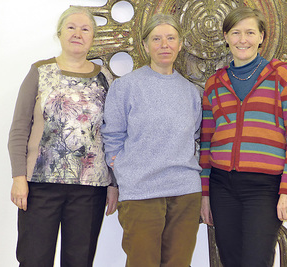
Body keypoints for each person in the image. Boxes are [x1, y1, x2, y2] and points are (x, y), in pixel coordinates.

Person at [8, 6, 118, 267]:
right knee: (33, 259)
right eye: (71, 27)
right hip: (39, 186)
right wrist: (18, 177)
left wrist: (114, 183)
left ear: (93, 37)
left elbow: (113, 133)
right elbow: (19, 128)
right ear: (59, 33)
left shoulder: (105, 78)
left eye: (85, 29)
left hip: (90, 189)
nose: (78, 33)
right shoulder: (40, 71)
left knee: (79, 261)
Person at [199, 6, 287, 267]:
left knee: (256, 261)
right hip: (221, 186)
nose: (243, 39)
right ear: (226, 36)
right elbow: (206, 143)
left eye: (250, 32)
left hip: (264, 188)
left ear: (262, 36)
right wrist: (205, 195)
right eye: (236, 32)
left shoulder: (282, 75)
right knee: (230, 260)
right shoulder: (214, 84)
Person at [101, 13, 202, 267]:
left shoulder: (191, 92)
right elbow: (112, 135)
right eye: (156, 39)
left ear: (180, 44)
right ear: (145, 45)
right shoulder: (125, 87)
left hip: (185, 194)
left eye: (170, 38)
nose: (164, 44)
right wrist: (122, 170)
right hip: (140, 193)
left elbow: (196, 138)